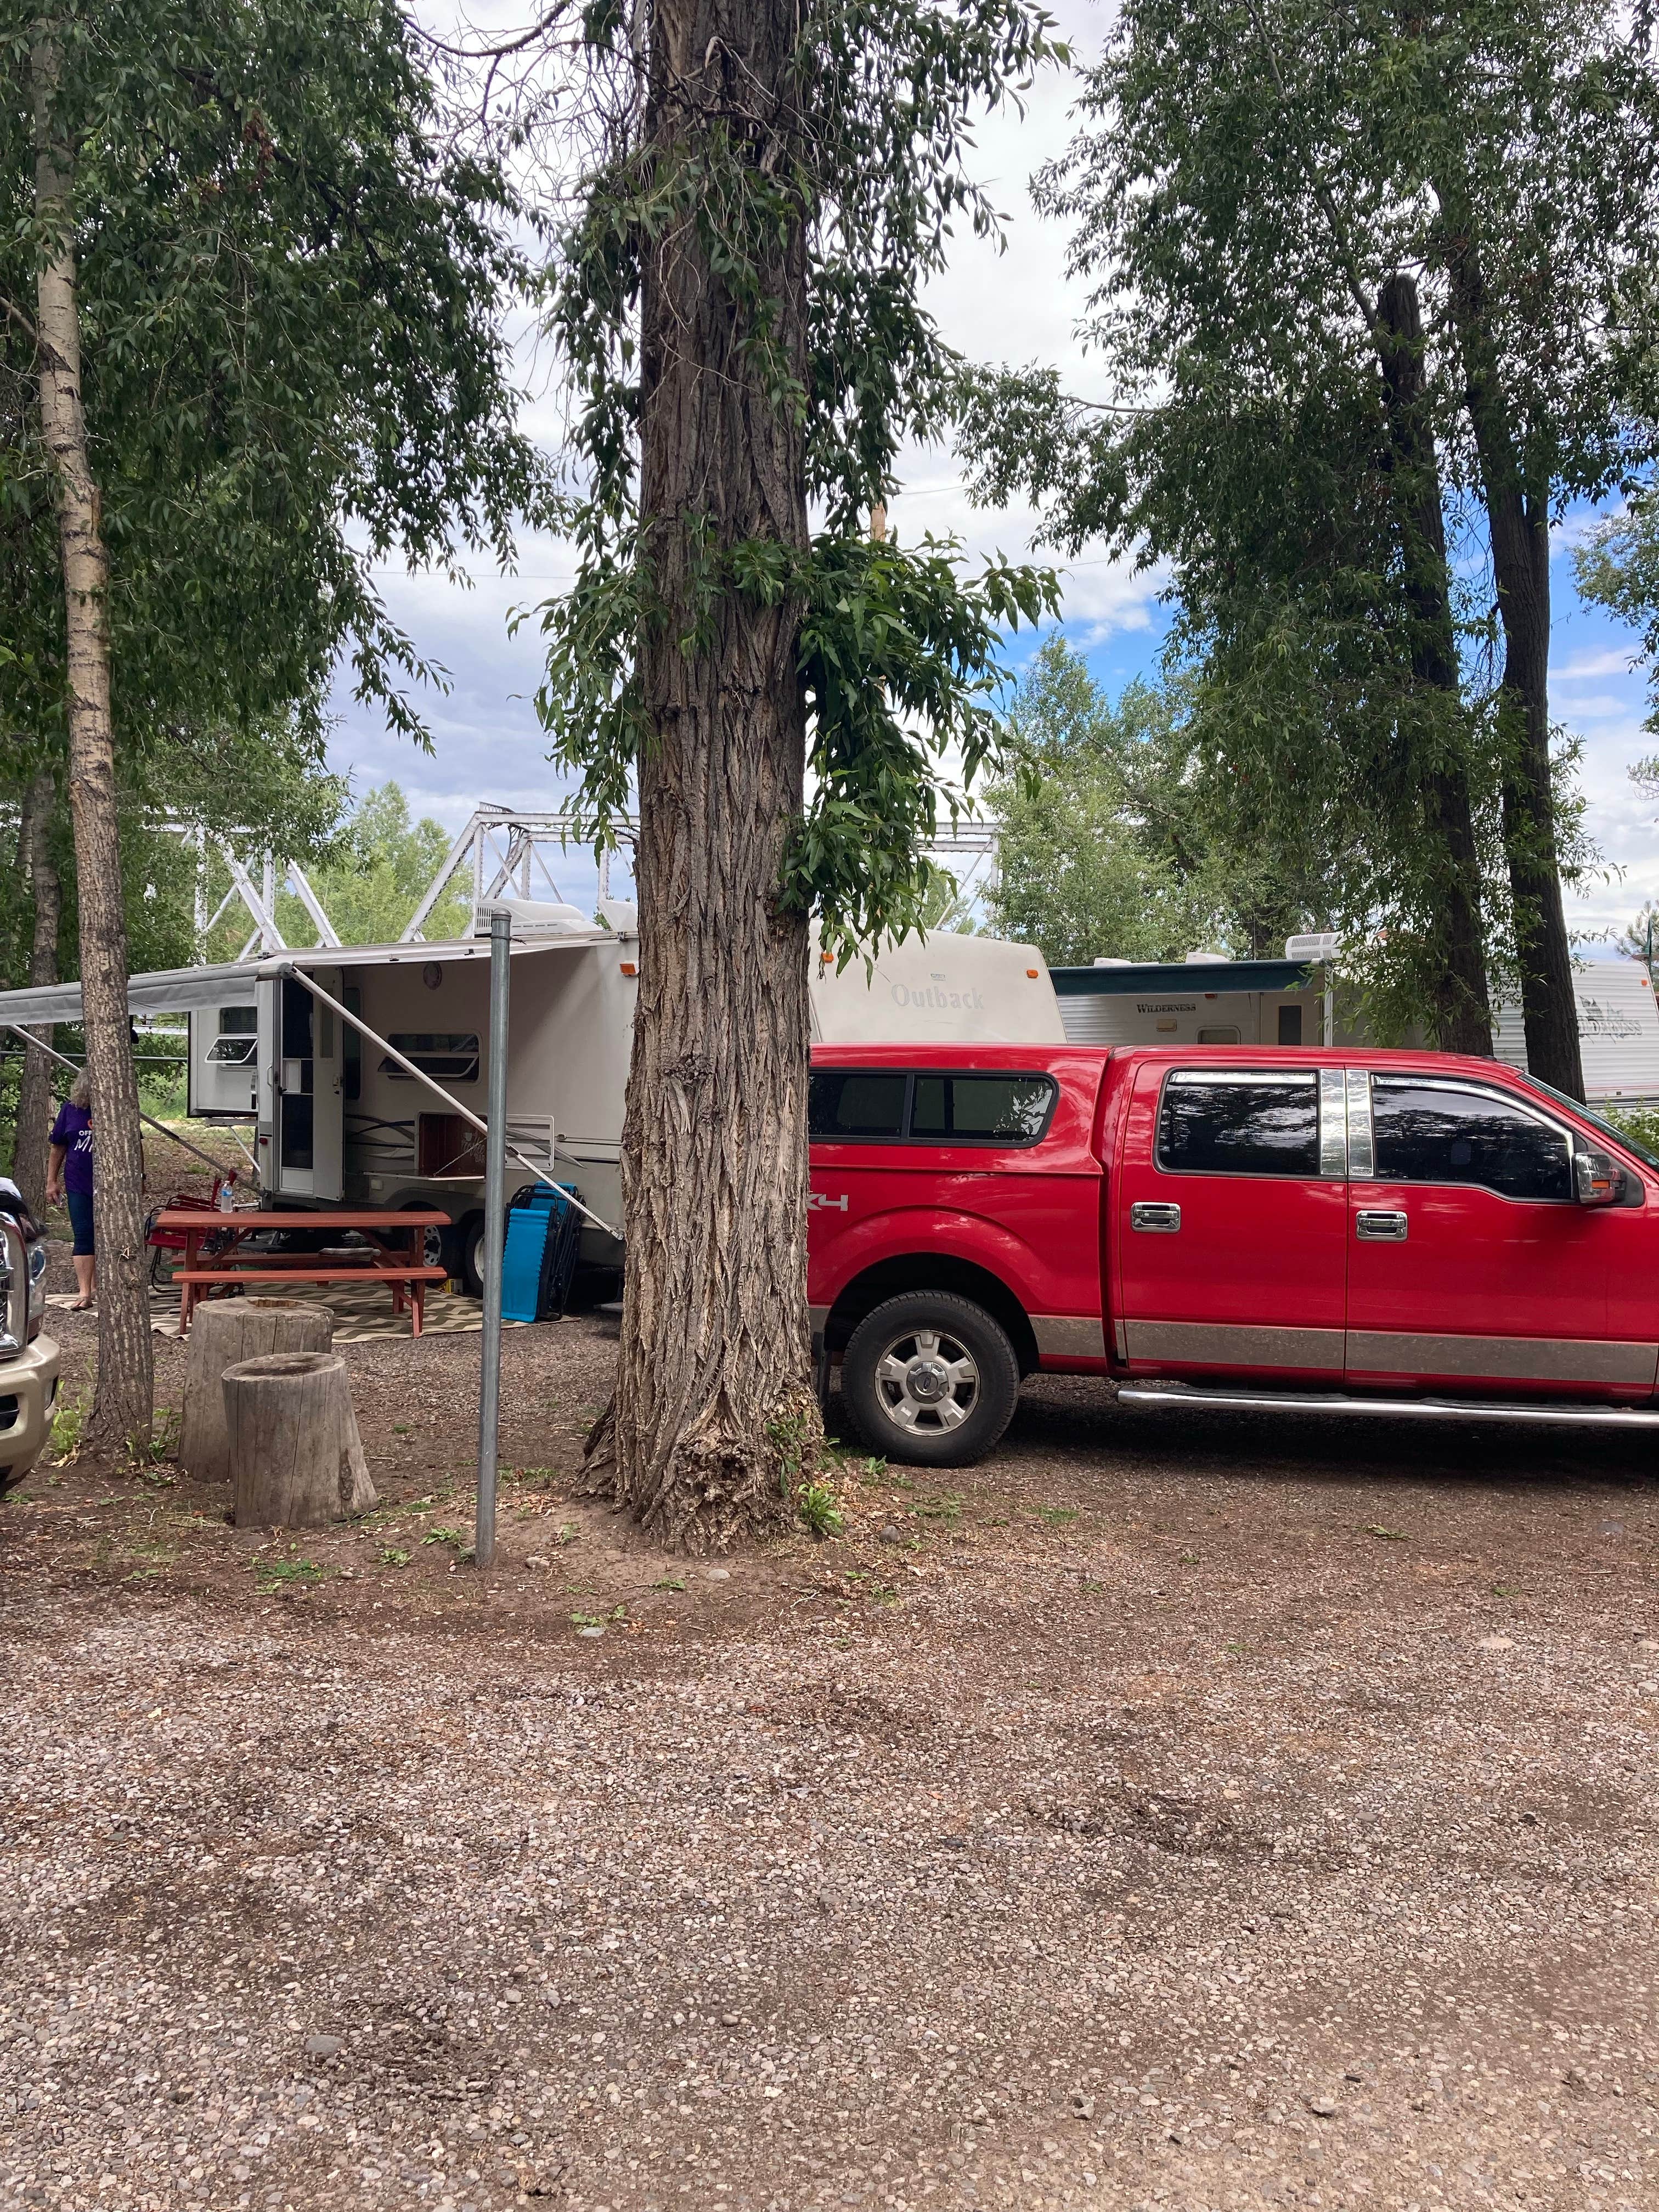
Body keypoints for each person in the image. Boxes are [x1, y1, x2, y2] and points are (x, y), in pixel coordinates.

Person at [47, 1069, 95, 1310]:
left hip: (113, 1186)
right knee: (84, 1233)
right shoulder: (70, 1110)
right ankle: (85, 1292)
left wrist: (140, 1176)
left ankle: (101, 1286)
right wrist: (51, 1181)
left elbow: (135, 1145)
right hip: (78, 1182)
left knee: (108, 1235)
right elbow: (57, 1147)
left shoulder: (119, 1107)